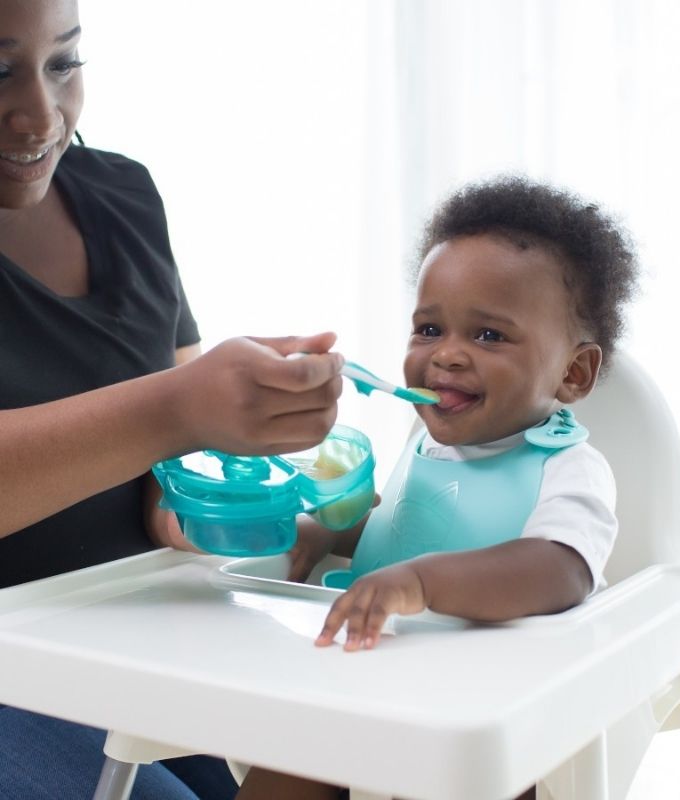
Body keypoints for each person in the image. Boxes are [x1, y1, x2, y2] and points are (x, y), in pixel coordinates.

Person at [0, 1, 342, 798]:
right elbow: (171, 403)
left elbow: (179, 432)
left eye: (63, 63)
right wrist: (176, 409)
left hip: (135, 634)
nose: (39, 115)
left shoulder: (125, 195)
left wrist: (193, 481)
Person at [235, 175, 639, 799]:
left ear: (574, 372)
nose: (446, 355)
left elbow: (559, 569)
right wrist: (325, 534)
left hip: (499, 711)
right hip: (378, 680)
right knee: (294, 750)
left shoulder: (568, 468)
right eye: (429, 329)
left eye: (488, 335)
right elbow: (405, 528)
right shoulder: (424, 445)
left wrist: (421, 583)